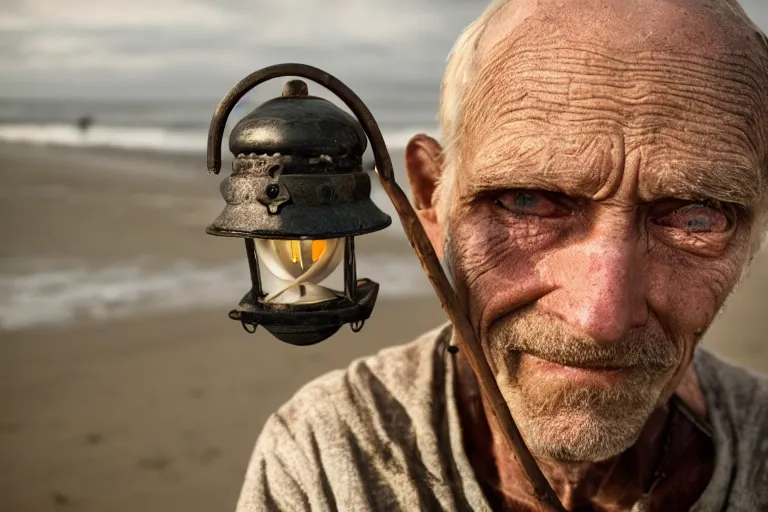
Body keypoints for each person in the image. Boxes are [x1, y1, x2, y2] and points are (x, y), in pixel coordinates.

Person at [236, 0, 768, 510]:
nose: (599, 319)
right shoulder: (328, 456)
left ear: (756, 234)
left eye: (697, 217)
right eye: (527, 202)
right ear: (430, 197)